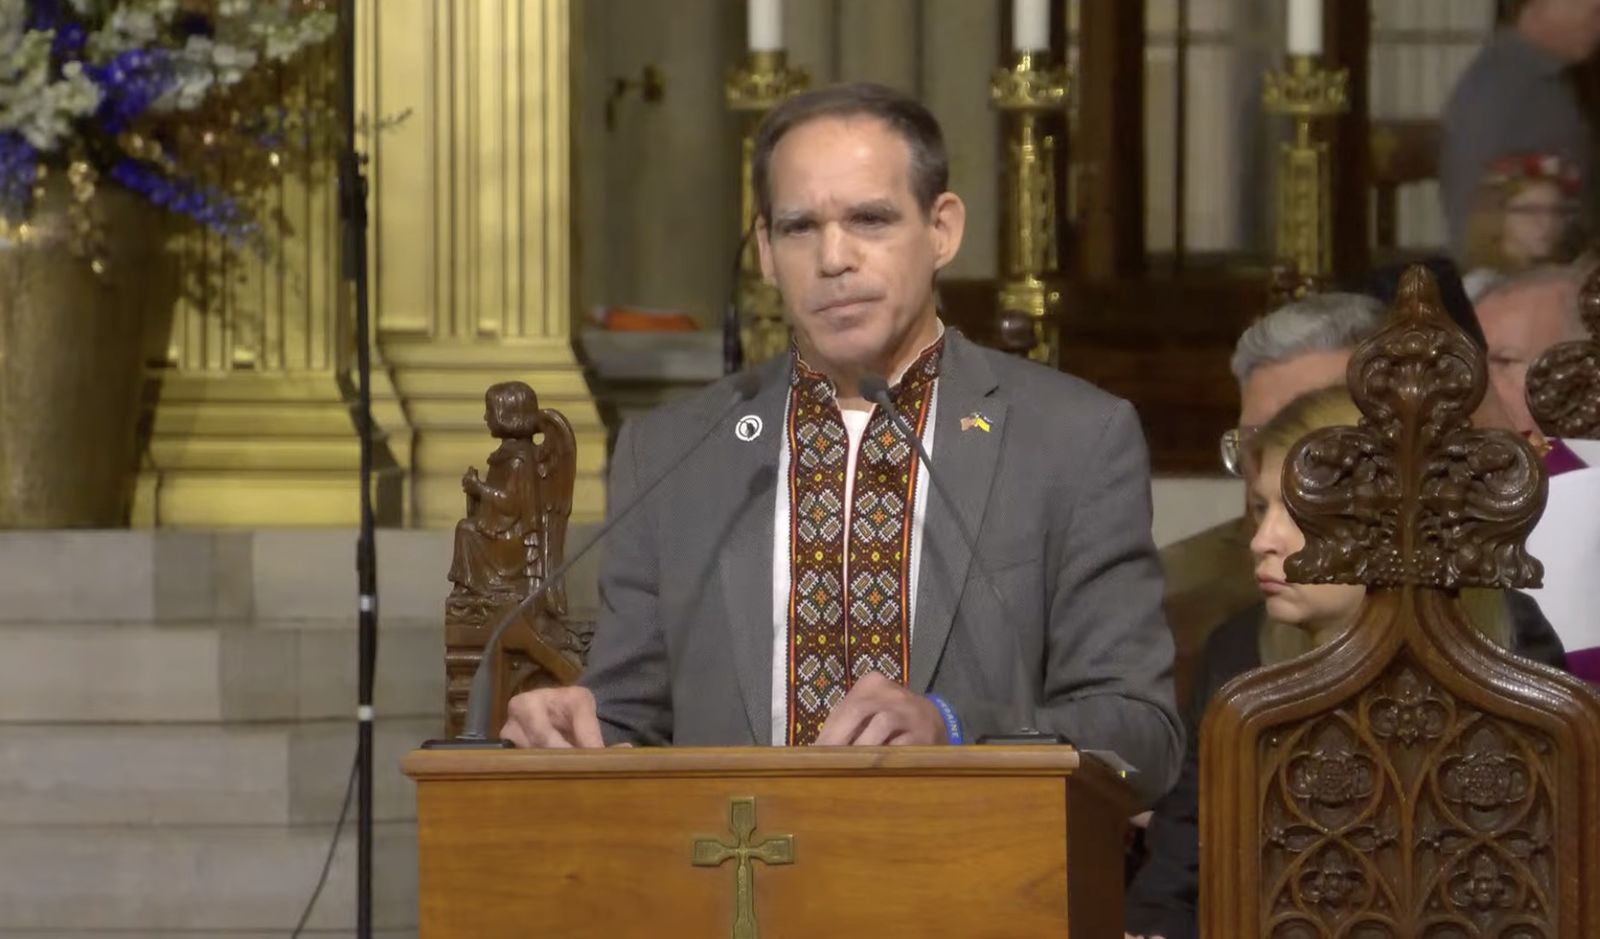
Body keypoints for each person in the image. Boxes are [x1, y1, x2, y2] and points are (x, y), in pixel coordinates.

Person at [500, 83, 1184, 805]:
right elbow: (627, 720)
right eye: (800, 227)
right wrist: (571, 732)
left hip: (966, 865)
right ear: (767, 251)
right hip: (734, 865)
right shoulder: (671, 453)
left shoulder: (1072, 441)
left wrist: (952, 729)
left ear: (943, 229)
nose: (833, 258)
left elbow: (1141, 737)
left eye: (870, 219)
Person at [1123, 386, 1569, 939]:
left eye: (1298, 514)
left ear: (1387, 520)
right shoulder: (1236, 655)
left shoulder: (1512, 640)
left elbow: (1545, 875)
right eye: (1261, 509)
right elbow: (1176, 875)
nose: (1263, 540)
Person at [1439, 0, 1600, 257]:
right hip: (1523, 272)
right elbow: (1471, 213)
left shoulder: (1554, 81)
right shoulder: (1496, 88)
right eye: (1594, 11)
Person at [1461, 153, 1582, 299]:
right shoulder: (1480, 286)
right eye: (1530, 211)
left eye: (1557, 211)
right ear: (1497, 215)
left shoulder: (1566, 277)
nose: (1548, 223)